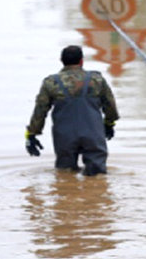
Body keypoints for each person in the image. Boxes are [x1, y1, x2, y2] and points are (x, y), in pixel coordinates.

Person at [25, 45, 119, 175]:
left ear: (61, 60)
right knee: (97, 176)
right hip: (93, 134)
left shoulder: (51, 83)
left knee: (64, 175)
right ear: (81, 61)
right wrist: (109, 123)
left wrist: (32, 134)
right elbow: (110, 106)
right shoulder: (97, 80)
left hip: (64, 136)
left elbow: (40, 111)